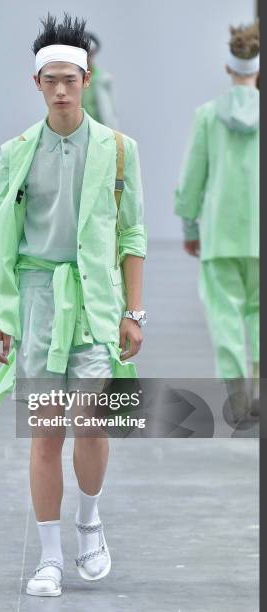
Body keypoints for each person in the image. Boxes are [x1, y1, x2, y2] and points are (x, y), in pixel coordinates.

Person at [0, 13, 147, 597]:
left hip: (97, 305)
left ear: (86, 78)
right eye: (50, 79)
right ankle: (50, 557)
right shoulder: (17, 152)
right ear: (36, 82)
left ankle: (90, 524)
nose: (60, 89)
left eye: (69, 79)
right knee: (46, 433)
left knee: (94, 428)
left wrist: (134, 311)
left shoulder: (120, 151)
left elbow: (132, 237)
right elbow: (0, 239)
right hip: (36, 306)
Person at [175, 20, 259, 422]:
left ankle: (238, 399)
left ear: (229, 68)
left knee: (225, 314)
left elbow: (193, 178)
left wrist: (190, 228)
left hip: (221, 235)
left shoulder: (208, 116)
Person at [81, 32, 119, 128]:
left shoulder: (104, 79)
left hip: (102, 130)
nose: (88, 58)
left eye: (91, 53)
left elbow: (110, 111)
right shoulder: (73, 79)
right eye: (86, 53)